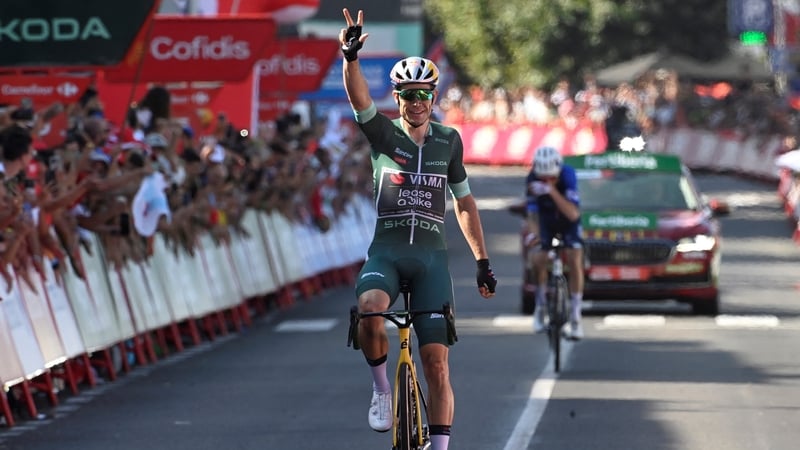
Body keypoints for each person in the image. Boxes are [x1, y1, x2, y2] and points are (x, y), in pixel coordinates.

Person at [339, 8, 497, 450]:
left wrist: (482, 262)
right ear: (398, 98)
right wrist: (350, 58)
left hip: (431, 261)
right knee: (370, 310)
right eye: (408, 95)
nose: (416, 102)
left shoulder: (449, 141)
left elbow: (464, 203)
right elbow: (358, 99)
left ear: (433, 95)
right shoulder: (384, 135)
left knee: (437, 365)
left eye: (423, 94)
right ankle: (381, 391)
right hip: (387, 253)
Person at [525, 146, 585, 339]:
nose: (546, 181)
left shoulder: (568, 176)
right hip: (546, 220)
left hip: (567, 220)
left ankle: (575, 316)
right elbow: (532, 215)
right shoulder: (532, 178)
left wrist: (551, 191)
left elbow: (573, 214)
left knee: (575, 258)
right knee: (538, 258)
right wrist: (535, 236)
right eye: (543, 179)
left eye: (551, 178)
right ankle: (541, 306)